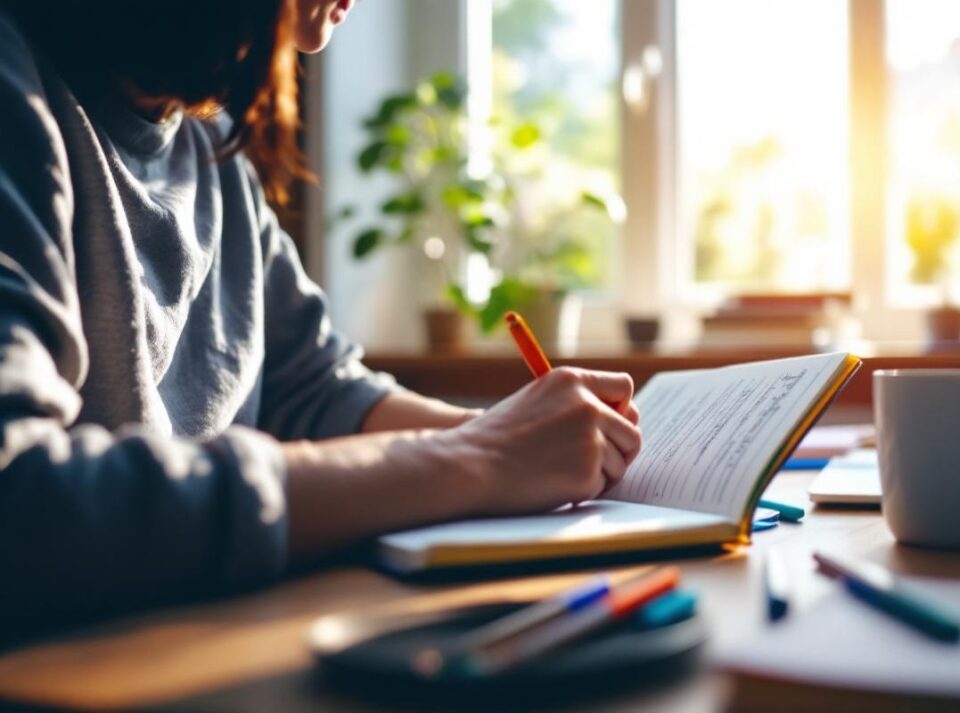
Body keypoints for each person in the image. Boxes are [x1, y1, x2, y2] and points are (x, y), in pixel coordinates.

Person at [0, 0, 641, 630]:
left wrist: (511, 440)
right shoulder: (19, 93)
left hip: (210, 638)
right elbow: (23, 504)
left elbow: (317, 391)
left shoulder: (212, 147)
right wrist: (480, 458)